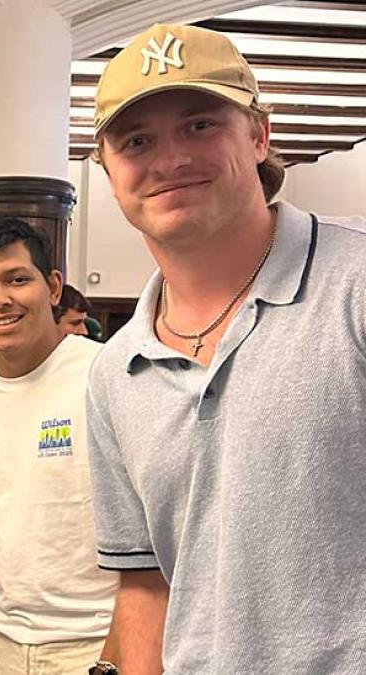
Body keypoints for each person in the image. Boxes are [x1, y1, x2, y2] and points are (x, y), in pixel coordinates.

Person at [86, 23, 366, 675]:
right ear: (108, 170)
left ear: (260, 134)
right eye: (136, 140)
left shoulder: (354, 285)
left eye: (200, 125)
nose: (170, 158)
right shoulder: (114, 372)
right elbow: (147, 582)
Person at [0, 217, 118, 675]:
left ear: (53, 287)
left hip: (97, 644)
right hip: (5, 645)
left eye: (17, 279)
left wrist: (114, 661)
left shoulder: (110, 377)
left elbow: (165, 535)